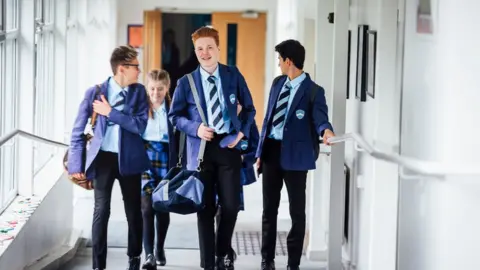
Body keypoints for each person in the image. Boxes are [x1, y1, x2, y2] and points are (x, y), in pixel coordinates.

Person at [169, 26, 256, 270]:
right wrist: (196, 129)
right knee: (204, 209)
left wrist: (241, 133)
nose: (205, 53)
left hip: (228, 147)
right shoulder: (186, 82)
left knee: (230, 205)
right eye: (199, 49)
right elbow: (174, 116)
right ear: (195, 51)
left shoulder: (233, 75)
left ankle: (221, 250)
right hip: (200, 152)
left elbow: (249, 109)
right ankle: (209, 263)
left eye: (209, 47)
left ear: (218, 48)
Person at [67, 45, 150, 270]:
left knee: (134, 211)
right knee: (101, 211)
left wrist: (110, 113)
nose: (139, 71)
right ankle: (98, 265)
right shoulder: (94, 92)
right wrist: (75, 164)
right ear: (122, 68)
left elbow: (140, 126)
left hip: (130, 159)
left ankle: (134, 259)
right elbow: (76, 131)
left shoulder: (139, 92)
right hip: (102, 159)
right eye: (136, 67)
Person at [255, 39, 335, 270]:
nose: (278, 64)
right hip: (271, 152)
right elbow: (268, 119)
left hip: (296, 158)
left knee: (297, 213)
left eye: (280, 60)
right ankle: (266, 260)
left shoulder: (313, 91)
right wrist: (260, 152)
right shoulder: (277, 83)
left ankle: (293, 264)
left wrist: (326, 131)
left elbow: (321, 118)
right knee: (269, 210)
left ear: (288, 61)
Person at [200, 103, 260, 268]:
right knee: (208, 210)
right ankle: (214, 255)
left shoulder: (247, 119)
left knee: (227, 211)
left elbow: (255, 145)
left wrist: (242, 159)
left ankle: (225, 250)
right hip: (210, 169)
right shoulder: (213, 113)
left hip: (233, 171)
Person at [140, 69, 179, 269]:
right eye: (152, 88)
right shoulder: (141, 107)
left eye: (160, 89)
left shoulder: (173, 108)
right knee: (147, 207)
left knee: (162, 206)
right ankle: (148, 255)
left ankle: (159, 248)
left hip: (166, 158)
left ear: (167, 88)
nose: (156, 93)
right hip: (145, 157)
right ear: (147, 88)